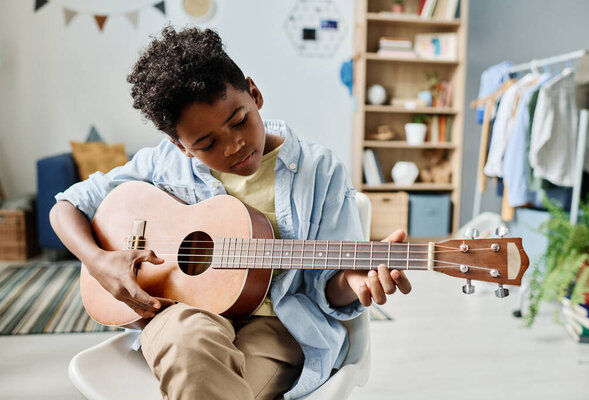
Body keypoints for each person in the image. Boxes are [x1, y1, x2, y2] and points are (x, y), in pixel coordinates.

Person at [50, 26, 412, 400]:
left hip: (278, 326)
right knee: (188, 346)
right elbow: (66, 206)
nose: (234, 145)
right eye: (206, 143)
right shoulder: (162, 162)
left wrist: (351, 283)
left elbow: (330, 286)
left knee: (208, 385)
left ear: (254, 94)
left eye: (238, 120)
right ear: (182, 146)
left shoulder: (320, 170)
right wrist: (98, 261)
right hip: (182, 317)